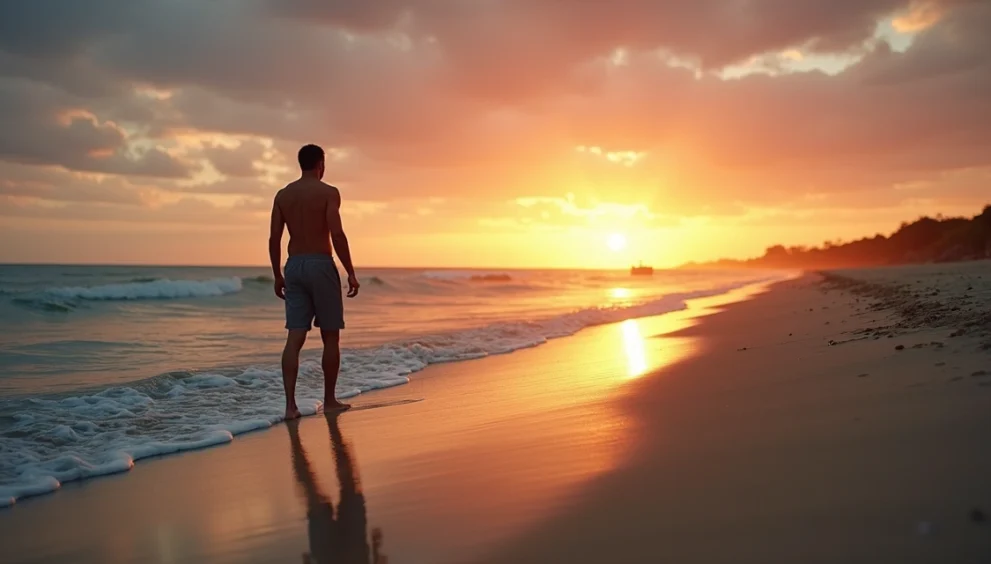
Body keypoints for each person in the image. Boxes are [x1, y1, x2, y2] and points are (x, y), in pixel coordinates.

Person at [269, 144, 359, 420]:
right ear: (320, 164)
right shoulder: (328, 193)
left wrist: (277, 275)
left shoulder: (283, 195)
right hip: (320, 264)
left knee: (295, 336)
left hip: (293, 265)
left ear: (301, 164)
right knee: (330, 335)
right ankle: (330, 400)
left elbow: (274, 239)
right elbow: (337, 234)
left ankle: (290, 407)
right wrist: (350, 272)